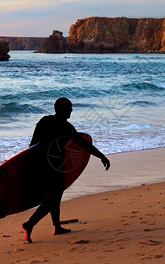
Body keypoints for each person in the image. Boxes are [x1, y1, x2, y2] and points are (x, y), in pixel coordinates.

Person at [22, 97, 110, 243]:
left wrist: (30, 166)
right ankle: (30, 224)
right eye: (69, 107)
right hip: (55, 167)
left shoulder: (44, 121)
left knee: (55, 198)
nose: (72, 110)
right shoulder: (66, 127)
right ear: (62, 109)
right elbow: (84, 144)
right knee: (52, 199)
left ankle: (57, 226)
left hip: (42, 165)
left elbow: (32, 146)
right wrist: (101, 156)